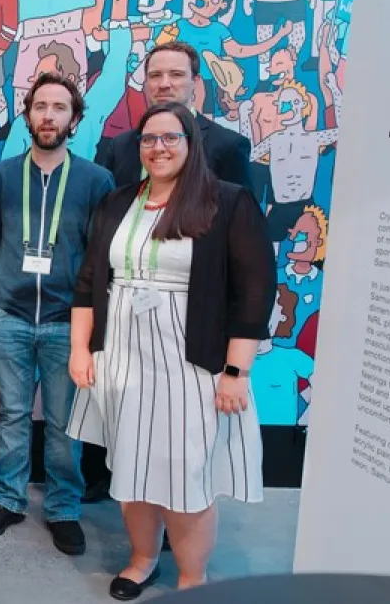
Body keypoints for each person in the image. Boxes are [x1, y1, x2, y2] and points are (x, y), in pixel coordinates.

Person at [67, 101, 273, 598]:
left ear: (190, 143)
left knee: (186, 474)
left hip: (192, 362)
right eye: (148, 139)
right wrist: (80, 349)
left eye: (169, 138)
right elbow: (90, 280)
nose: (158, 148)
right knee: (131, 465)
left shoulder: (227, 201)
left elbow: (254, 291)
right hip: (122, 356)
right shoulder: (119, 201)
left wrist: (236, 372)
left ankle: (192, 578)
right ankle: (141, 561)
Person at [0, 73, 115, 555]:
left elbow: (101, 260)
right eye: (40, 107)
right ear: (28, 115)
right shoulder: (0, 176)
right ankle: (8, 498)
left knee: (62, 422)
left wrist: (93, 325)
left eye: (59, 107)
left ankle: (63, 507)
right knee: (11, 414)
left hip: (66, 322)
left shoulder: (95, 180)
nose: (48, 116)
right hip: (7, 314)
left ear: (74, 119)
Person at [95, 41, 252, 190]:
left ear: (195, 82)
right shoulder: (120, 146)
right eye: (155, 75)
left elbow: (239, 207)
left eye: (176, 75)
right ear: (145, 83)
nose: (164, 84)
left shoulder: (228, 146)